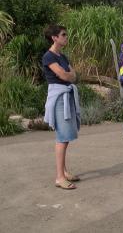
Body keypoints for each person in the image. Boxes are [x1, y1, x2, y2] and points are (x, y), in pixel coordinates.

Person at [43, 25, 80, 190]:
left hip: (66, 95)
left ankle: (64, 172)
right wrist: (69, 76)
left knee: (65, 137)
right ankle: (59, 177)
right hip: (58, 98)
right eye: (63, 35)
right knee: (62, 137)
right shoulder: (48, 56)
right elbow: (65, 75)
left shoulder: (62, 56)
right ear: (54, 38)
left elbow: (74, 75)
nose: (66, 37)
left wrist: (70, 76)